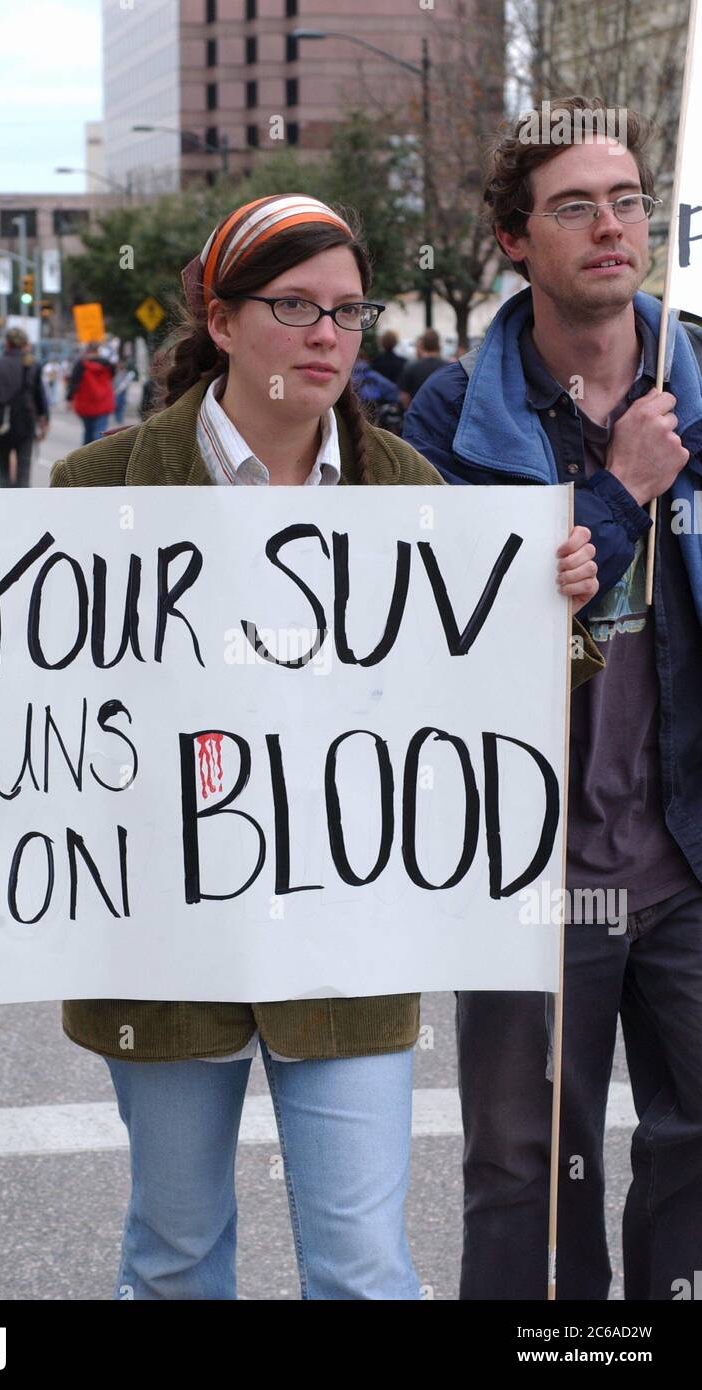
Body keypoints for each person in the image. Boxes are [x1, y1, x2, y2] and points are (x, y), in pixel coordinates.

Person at [0, 192, 600, 1302]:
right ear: (220, 319)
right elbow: (13, 705)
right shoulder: (102, 484)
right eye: (295, 306)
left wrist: (555, 613)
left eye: (350, 313)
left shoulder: (405, 486)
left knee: (362, 1267)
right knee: (173, 1253)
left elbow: (484, 700)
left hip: (346, 947)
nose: (327, 338)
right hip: (158, 945)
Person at [403, 95, 702, 1301]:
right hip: (529, 876)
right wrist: (616, 492)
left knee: (693, 1147)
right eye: (573, 206)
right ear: (516, 242)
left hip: (683, 856)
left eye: (626, 200)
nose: (610, 226)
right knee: (529, 1167)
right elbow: (438, 635)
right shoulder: (444, 419)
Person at [0, 326, 48, 488]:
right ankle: (22, 506)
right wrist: (43, 421)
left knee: (3, 468)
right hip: (26, 419)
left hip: (2, 420)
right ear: (24, 343)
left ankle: (5, 505)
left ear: (7, 344)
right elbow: (40, 397)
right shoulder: (33, 364)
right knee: (24, 469)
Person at [66, 340, 116, 443]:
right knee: (100, 432)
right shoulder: (107, 364)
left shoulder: (80, 364)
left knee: (88, 432)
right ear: (98, 350)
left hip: (85, 404)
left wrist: (69, 399)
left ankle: (85, 455)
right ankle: (97, 455)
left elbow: (74, 383)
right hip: (103, 402)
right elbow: (112, 376)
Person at [398, 330, 447, 410]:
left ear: (422, 344)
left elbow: (404, 396)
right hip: (441, 415)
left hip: (418, 414)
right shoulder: (447, 367)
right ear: (438, 344)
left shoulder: (411, 367)